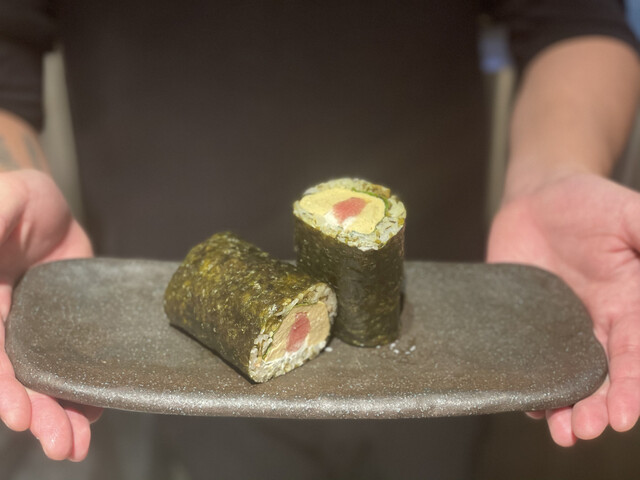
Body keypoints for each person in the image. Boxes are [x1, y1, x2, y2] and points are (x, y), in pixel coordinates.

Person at [0, 0, 638, 476]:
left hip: (437, 342)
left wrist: (557, 174)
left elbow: (573, 17)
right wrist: (10, 185)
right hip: (173, 358)